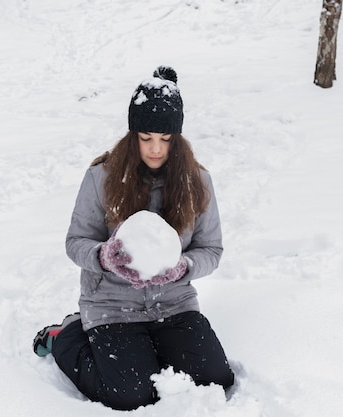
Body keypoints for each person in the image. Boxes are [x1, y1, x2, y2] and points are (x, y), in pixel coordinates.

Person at [32, 66, 235, 410]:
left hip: (173, 304)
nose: (156, 148)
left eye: (165, 139)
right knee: (131, 395)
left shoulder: (197, 182)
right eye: (146, 138)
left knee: (216, 379)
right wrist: (103, 257)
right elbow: (76, 241)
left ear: (178, 138)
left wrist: (184, 267)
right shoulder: (102, 177)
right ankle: (65, 335)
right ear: (132, 135)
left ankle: (151, 349)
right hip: (112, 306)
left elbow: (211, 249)